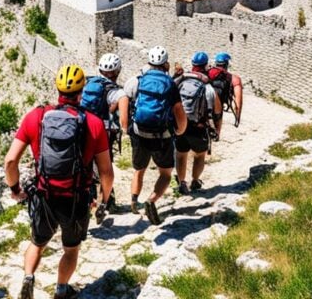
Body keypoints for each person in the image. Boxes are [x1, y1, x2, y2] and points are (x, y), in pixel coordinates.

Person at [4, 65, 114, 299]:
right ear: (81, 92)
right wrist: (104, 200)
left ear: (58, 89)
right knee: (71, 249)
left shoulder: (36, 117)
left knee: (37, 242)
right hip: (76, 198)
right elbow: (106, 172)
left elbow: (10, 161)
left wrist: (15, 188)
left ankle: (29, 277)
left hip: (44, 194)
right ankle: (62, 289)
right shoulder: (94, 123)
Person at [122, 46, 187, 225]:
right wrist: (180, 130)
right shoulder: (170, 84)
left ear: (149, 63)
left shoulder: (138, 80)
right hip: (162, 135)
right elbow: (178, 110)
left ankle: (134, 202)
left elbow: (126, 103)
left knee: (138, 170)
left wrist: (126, 128)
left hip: (139, 132)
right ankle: (151, 200)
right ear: (166, 63)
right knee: (165, 173)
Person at [80, 52, 128, 211]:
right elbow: (123, 103)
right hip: (102, 134)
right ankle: (108, 202)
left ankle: (88, 199)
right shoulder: (114, 89)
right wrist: (124, 126)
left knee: (86, 165)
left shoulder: (88, 82)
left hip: (83, 128)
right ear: (118, 71)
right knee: (105, 169)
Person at [174, 52, 221, 194]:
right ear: (206, 66)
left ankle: (182, 183)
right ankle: (195, 180)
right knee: (200, 154)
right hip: (198, 127)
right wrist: (217, 130)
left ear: (193, 64)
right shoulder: (207, 87)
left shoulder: (180, 81)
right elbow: (217, 112)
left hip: (181, 125)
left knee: (181, 154)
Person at [208, 52, 244, 128]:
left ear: (216, 63)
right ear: (227, 64)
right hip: (219, 106)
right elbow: (238, 102)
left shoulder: (207, 73)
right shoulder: (234, 78)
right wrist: (237, 118)